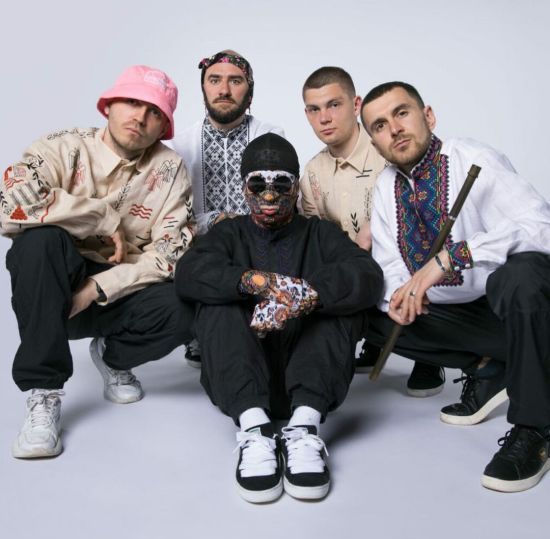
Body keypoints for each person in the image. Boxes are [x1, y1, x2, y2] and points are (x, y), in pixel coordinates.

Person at [360, 81, 550, 492]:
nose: (394, 128)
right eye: (380, 125)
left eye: (401, 113)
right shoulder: (384, 187)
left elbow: (542, 227)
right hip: (470, 323)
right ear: (374, 143)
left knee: (519, 276)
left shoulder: (474, 159)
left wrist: (455, 256)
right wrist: (400, 296)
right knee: (368, 309)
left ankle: (535, 427)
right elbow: (390, 265)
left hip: (522, 314)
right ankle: (491, 369)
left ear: (428, 115)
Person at [175, 133, 383, 503]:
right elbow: (189, 273)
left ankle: (304, 429)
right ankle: (255, 431)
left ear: (296, 187)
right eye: (258, 184)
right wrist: (256, 283)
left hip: (312, 381)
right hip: (243, 381)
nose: (269, 196)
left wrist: (306, 294)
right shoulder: (228, 233)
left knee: (339, 300)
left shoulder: (320, 233)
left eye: (281, 185)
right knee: (215, 300)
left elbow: (367, 275)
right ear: (244, 188)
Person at [1, 65, 195, 459]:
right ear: (108, 106)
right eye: (132, 102)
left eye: (154, 112)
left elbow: (170, 254)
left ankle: (112, 357)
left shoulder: (169, 168)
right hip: (52, 289)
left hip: (115, 293)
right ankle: (43, 392)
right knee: (39, 242)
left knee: (187, 303)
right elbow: (10, 207)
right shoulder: (62, 146)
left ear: (164, 127)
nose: (140, 117)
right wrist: (102, 218)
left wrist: (97, 288)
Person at [300, 66, 444, 396]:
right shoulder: (313, 172)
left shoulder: (389, 148)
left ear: (356, 105)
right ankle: (373, 341)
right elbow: (315, 235)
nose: (324, 118)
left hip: (406, 265)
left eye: (334, 105)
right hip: (354, 271)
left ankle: (429, 356)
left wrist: (377, 225)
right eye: (314, 109)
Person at [171, 49, 283, 362]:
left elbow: (279, 200)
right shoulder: (179, 147)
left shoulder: (270, 137)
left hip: (259, 244)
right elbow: (172, 216)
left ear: (250, 91)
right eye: (214, 80)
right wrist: (215, 220)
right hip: (202, 249)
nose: (223, 89)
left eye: (235, 81)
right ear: (203, 88)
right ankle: (201, 332)